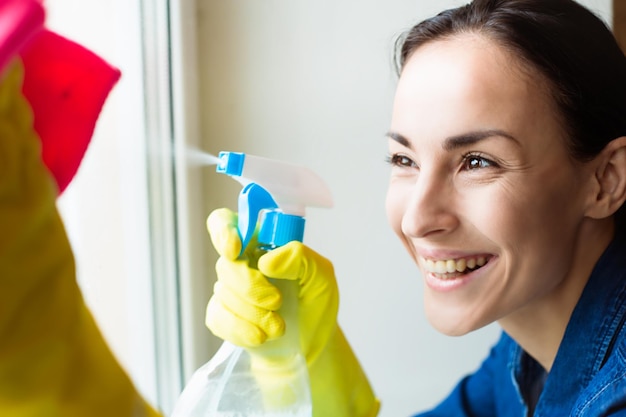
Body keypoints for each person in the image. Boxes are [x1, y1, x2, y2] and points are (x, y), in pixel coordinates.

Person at [206, 0, 626, 416]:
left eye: (477, 162)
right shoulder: (529, 348)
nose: (416, 220)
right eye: (405, 160)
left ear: (606, 180)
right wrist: (302, 351)